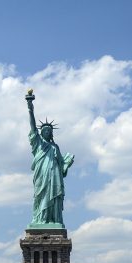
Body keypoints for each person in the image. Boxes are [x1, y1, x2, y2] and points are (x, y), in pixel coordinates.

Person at [26, 89, 74, 226]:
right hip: (41, 176)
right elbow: (32, 126)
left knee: (53, 197)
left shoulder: (55, 147)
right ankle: (40, 219)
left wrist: (67, 164)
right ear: (41, 133)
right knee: (41, 197)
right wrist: (30, 107)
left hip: (54, 176)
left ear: (51, 133)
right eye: (44, 130)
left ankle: (53, 220)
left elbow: (61, 166)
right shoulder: (38, 144)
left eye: (49, 131)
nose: (46, 132)